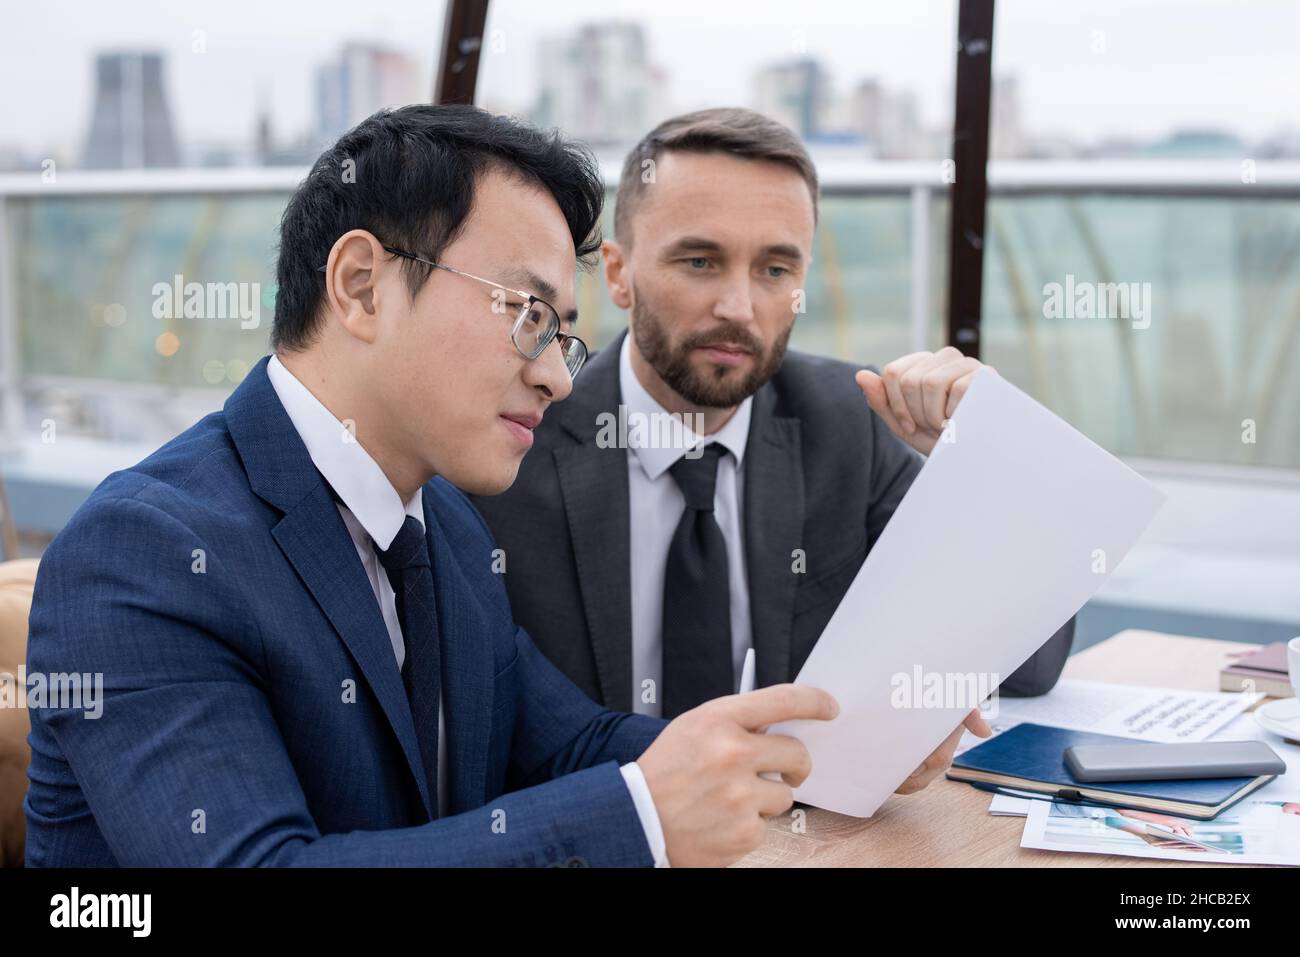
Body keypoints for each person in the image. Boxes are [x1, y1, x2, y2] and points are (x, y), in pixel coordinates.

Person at [23, 105, 845, 868]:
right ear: (360, 285)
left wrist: (801, 755)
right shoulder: (145, 551)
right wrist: (638, 817)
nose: (558, 376)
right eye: (527, 312)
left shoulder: (442, 521)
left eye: (563, 334)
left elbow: (565, 741)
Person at [472, 108, 1071, 775]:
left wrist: (987, 456)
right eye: (700, 261)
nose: (739, 306)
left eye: (776, 269)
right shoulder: (512, 441)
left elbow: (1031, 666)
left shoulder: (849, 425)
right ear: (617, 274)